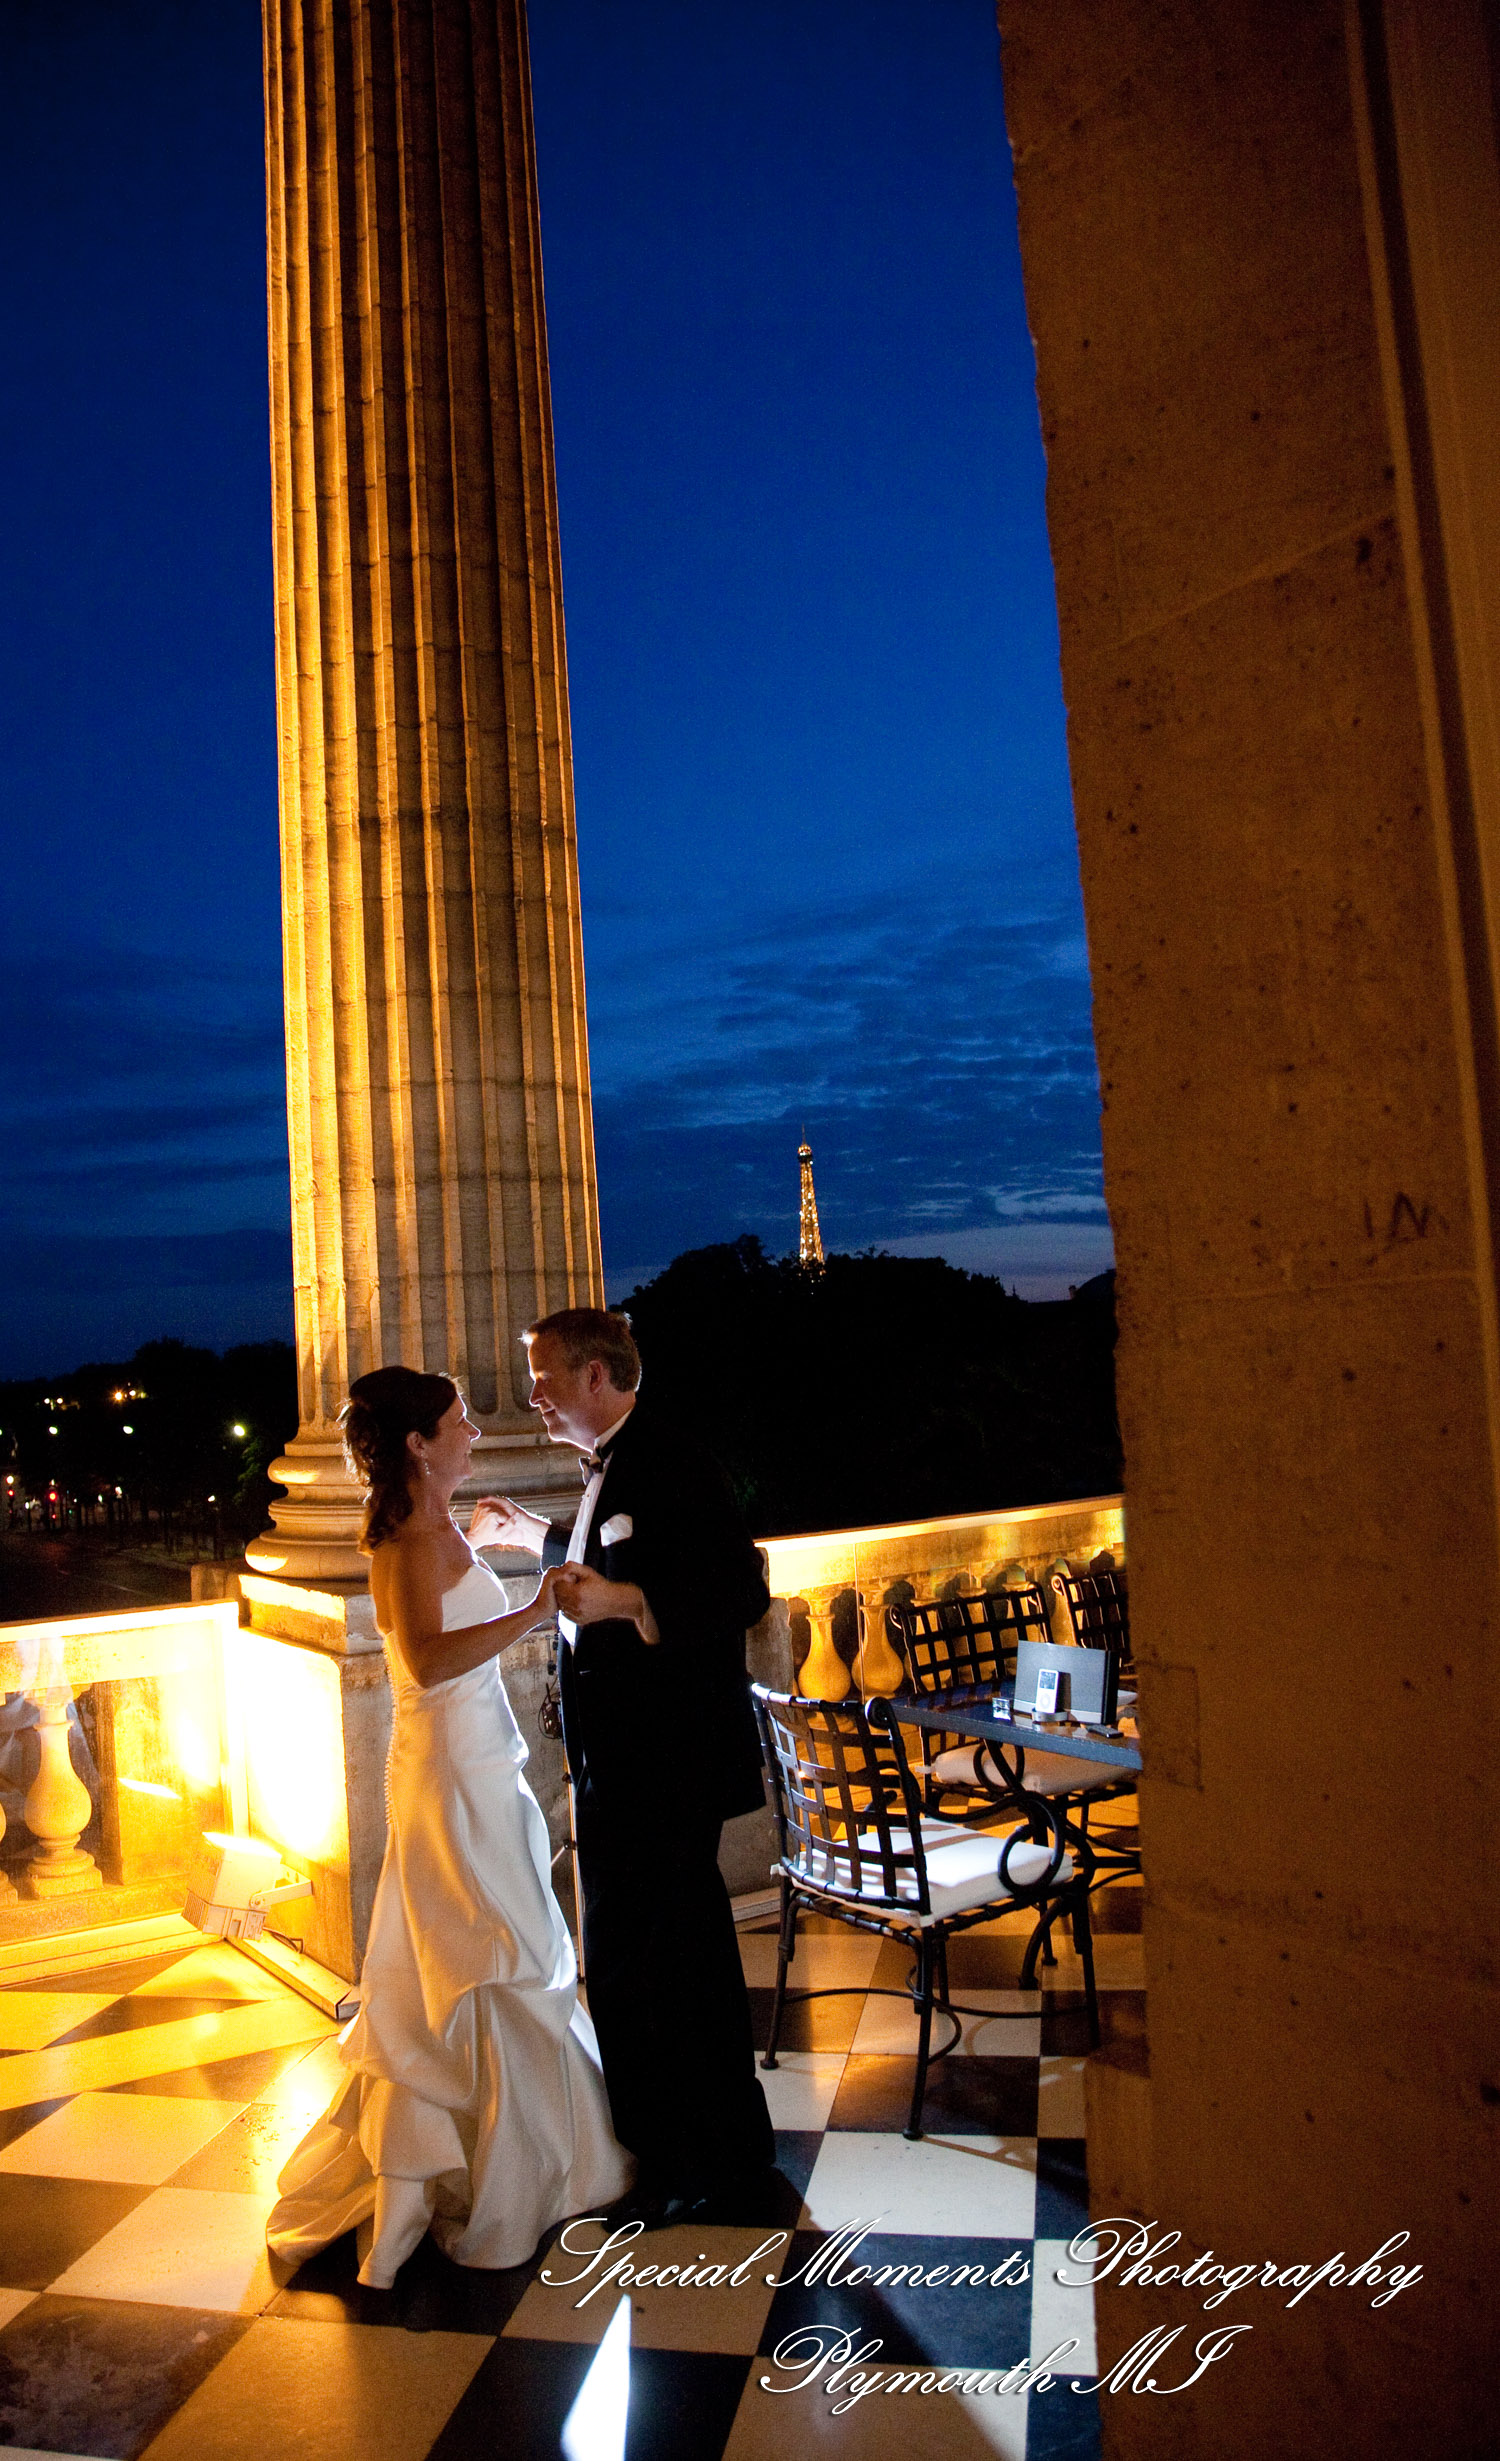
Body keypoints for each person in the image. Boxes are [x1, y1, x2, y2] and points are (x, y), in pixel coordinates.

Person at [265, 1366, 631, 2289]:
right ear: (418, 1444)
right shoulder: (407, 1544)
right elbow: (428, 1664)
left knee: (501, 1946)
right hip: (448, 1779)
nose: (473, 1432)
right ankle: (489, 2175)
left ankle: (522, 2156)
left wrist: (500, 1546)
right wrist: (535, 1610)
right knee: (479, 1951)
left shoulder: (438, 1529)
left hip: (478, 1764)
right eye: (459, 1422)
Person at [476, 1306, 775, 2229]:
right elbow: (608, 1550)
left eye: (545, 1379)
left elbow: (740, 1588)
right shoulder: (609, 1466)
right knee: (628, 1961)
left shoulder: (675, 1457)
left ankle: (714, 2160)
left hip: (668, 1765)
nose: (534, 1396)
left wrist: (629, 1602)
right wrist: (536, 1535)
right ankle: (662, 2142)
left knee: (677, 1966)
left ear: (596, 1377)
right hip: (617, 1765)